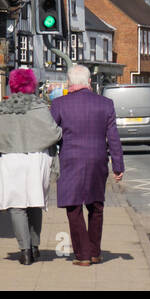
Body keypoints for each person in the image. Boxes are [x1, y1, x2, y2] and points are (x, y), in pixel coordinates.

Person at [0, 67, 62, 265]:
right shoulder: (39, 106)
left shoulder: (2, 108)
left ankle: (25, 251)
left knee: (17, 206)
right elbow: (54, 133)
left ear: (12, 85)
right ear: (32, 85)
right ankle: (35, 246)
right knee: (35, 202)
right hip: (36, 159)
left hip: (10, 160)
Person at [51, 64, 124, 266]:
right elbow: (114, 138)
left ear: (70, 83)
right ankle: (94, 252)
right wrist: (118, 166)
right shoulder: (106, 104)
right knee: (96, 206)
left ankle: (83, 255)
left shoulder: (59, 104)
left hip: (70, 161)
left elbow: (51, 134)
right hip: (97, 159)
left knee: (73, 208)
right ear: (89, 82)